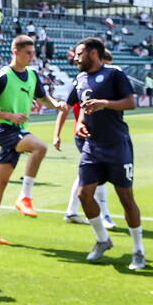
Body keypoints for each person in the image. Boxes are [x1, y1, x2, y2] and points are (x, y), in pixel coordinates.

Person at [0, 35, 66, 245]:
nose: (32, 56)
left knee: (0, 183)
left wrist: (57, 104)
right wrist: (10, 116)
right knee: (40, 147)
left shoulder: (33, 75)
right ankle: (25, 197)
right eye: (28, 52)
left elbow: (44, 98)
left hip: (18, 129)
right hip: (5, 129)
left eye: (33, 53)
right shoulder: (3, 76)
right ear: (15, 52)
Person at [67, 37, 145, 269]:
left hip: (117, 146)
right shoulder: (80, 78)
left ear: (93, 53)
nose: (76, 57)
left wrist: (104, 103)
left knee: (126, 199)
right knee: (83, 194)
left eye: (79, 53)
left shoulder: (114, 74)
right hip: (92, 147)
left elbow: (130, 103)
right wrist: (81, 121)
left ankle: (138, 250)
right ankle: (103, 240)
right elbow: (81, 105)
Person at [54, 50, 117, 228]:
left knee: (86, 174)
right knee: (98, 172)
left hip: (98, 133)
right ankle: (104, 216)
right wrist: (56, 133)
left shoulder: (106, 82)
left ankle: (71, 212)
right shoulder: (83, 82)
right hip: (84, 134)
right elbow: (65, 107)